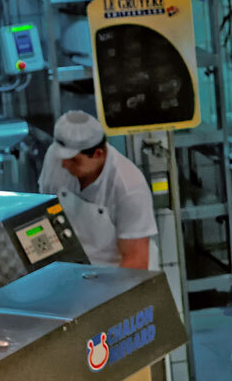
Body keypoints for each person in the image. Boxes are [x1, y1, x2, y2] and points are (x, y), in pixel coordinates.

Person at [37, 111, 157, 270]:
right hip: (76, 270)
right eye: (62, 157)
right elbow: (44, 212)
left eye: (74, 160)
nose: (64, 165)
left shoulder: (129, 186)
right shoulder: (55, 157)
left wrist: (109, 294)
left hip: (118, 274)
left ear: (98, 154)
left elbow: (136, 260)